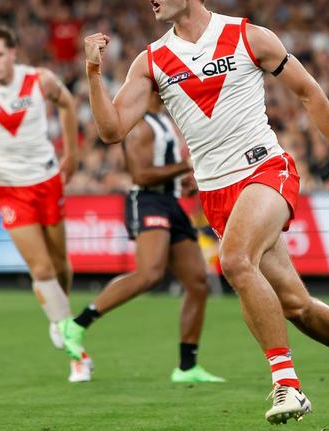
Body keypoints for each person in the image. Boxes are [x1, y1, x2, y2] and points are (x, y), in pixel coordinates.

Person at [78, 0, 329, 424]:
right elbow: (111, 130)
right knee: (296, 305)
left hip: (266, 169)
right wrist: (93, 73)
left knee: (233, 260)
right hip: (215, 193)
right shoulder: (152, 61)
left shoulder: (248, 36)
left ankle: (287, 385)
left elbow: (309, 91)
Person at [0, 25, 91, 383]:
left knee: (61, 265)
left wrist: (71, 156)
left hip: (47, 181)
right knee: (41, 269)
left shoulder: (39, 80)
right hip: (9, 188)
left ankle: (62, 315)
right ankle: (77, 353)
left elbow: (67, 104)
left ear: (13, 53)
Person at [59, 95, 224, 383]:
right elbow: (141, 174)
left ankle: (187, 367)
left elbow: (162, 167)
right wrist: (188, 166)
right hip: (147, 201)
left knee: (198, 282)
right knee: (150, 274)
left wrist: (181, 180)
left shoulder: (163, 119)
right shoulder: (140, 124)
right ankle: (77, 323)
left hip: (170, 202)